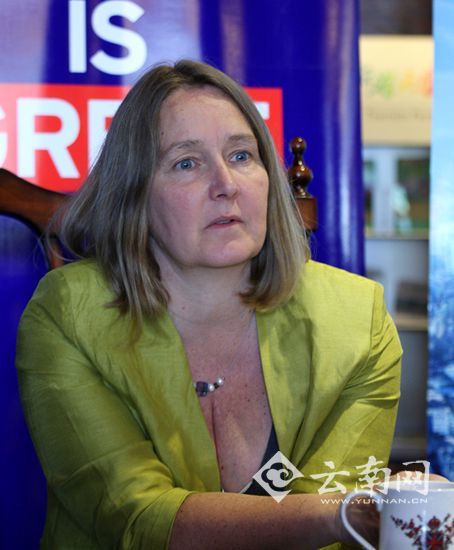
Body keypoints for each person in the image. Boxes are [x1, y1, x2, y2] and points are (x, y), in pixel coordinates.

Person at [16, 59, 402, 549]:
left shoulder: (356, 321)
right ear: (134, 194)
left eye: (242, 156)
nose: (227, 184)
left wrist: (352, 511)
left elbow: (333, 518)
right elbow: (138, 519)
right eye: (187, 163)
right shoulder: (68, 314)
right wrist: (345, 513)